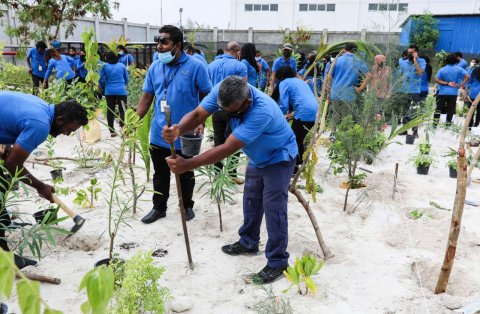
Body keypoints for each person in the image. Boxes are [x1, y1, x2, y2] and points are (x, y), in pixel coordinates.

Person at [162, 76, 298, 284]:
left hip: (278, 157)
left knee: (274, 208)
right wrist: (179, 129)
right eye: (223, 110)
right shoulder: (224, 90)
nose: (227, 115)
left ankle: (278, 262)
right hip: (257, 156)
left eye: (232, 113)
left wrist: (187, 164)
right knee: (251, 199)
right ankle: (249, 242)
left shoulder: (261, 111)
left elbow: (227, 148)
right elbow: (199, 113)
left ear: (247, 102)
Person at [0, 91, 88, 268]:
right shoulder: (40, 125)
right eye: (69, 130)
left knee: (3, 184)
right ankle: (4, 259)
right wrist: (41, 186)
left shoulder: (42, 107)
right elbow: (12, 165)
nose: (67, 134)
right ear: (60, 120)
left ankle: (5, 223)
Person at [136, 25, 212, 224]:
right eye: (157, 42)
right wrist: (133, 121)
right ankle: (158, 208)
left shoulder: (196, 66)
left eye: (164, 42)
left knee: (185, 172)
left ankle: (186, 206)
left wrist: (201, 122)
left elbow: (207, 96)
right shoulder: (155, 67)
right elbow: (146, 97)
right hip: (159, 131)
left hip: (185, 133)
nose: (159, 46)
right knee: (160, 174)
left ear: (177, 45)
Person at [207, 41, 247, 183]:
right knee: (235, 141)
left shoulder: (211, 65)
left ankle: (217, 174)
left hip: (215, 109)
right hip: (233, 111)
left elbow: (207, 87)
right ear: (237, 52)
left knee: (218, 140)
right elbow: (244, 90)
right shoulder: (240, 66)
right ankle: (231, 175)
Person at [273, 66, 317, 170]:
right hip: (314, 111)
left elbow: (284, 105)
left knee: (293, 139)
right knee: (299, 138)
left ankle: (294, 167)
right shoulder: (300, 81)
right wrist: (290, 115)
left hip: (303, 112)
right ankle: (300, 162)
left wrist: (275, 115)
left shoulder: (284, 83)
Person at [328, 42, 369, 133]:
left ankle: (333, 135)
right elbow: (368, 76)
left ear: (344, 49)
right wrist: (359, 89)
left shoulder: (337, 60)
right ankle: (344, 137)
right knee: (346, 118)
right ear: (355, 51)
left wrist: (328, 92)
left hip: (335, 91)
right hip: (348, 93)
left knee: (335, 115)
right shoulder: (358, 61)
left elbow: (329, 77)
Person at [397, 44, 426, 136]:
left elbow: (420, 72)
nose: (409, 54)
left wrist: (415, 60)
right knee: (405, 110)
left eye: (411, 53)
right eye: (408, 52)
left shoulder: (422, 61)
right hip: (404, 90)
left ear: (416, 52)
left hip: (415, 90)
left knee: (415, 110)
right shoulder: (403, 62)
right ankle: (404, 129)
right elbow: (400, 75)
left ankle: (415, 131)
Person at [99, 52, 130, 137]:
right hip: (121, 91)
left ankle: (112, 131)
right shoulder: (122, 65)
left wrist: (103, 86)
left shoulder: (104, 66)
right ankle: (124, 129)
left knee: (110, 110)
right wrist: (122, 85)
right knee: (123, 110)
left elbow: (101, 79)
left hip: (109, 91)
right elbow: (127, 79)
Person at [434, 54, 470, 126]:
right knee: (450, 108)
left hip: (442, 92)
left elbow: (436, 80)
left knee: (438, 108)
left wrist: (447, 83)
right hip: (453, 92)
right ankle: (448, 124)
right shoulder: (459, 69)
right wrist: (461, 85)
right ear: (456, 61)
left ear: (446, 60)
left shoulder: (442, 69)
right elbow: (467, 76)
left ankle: (435, 124)